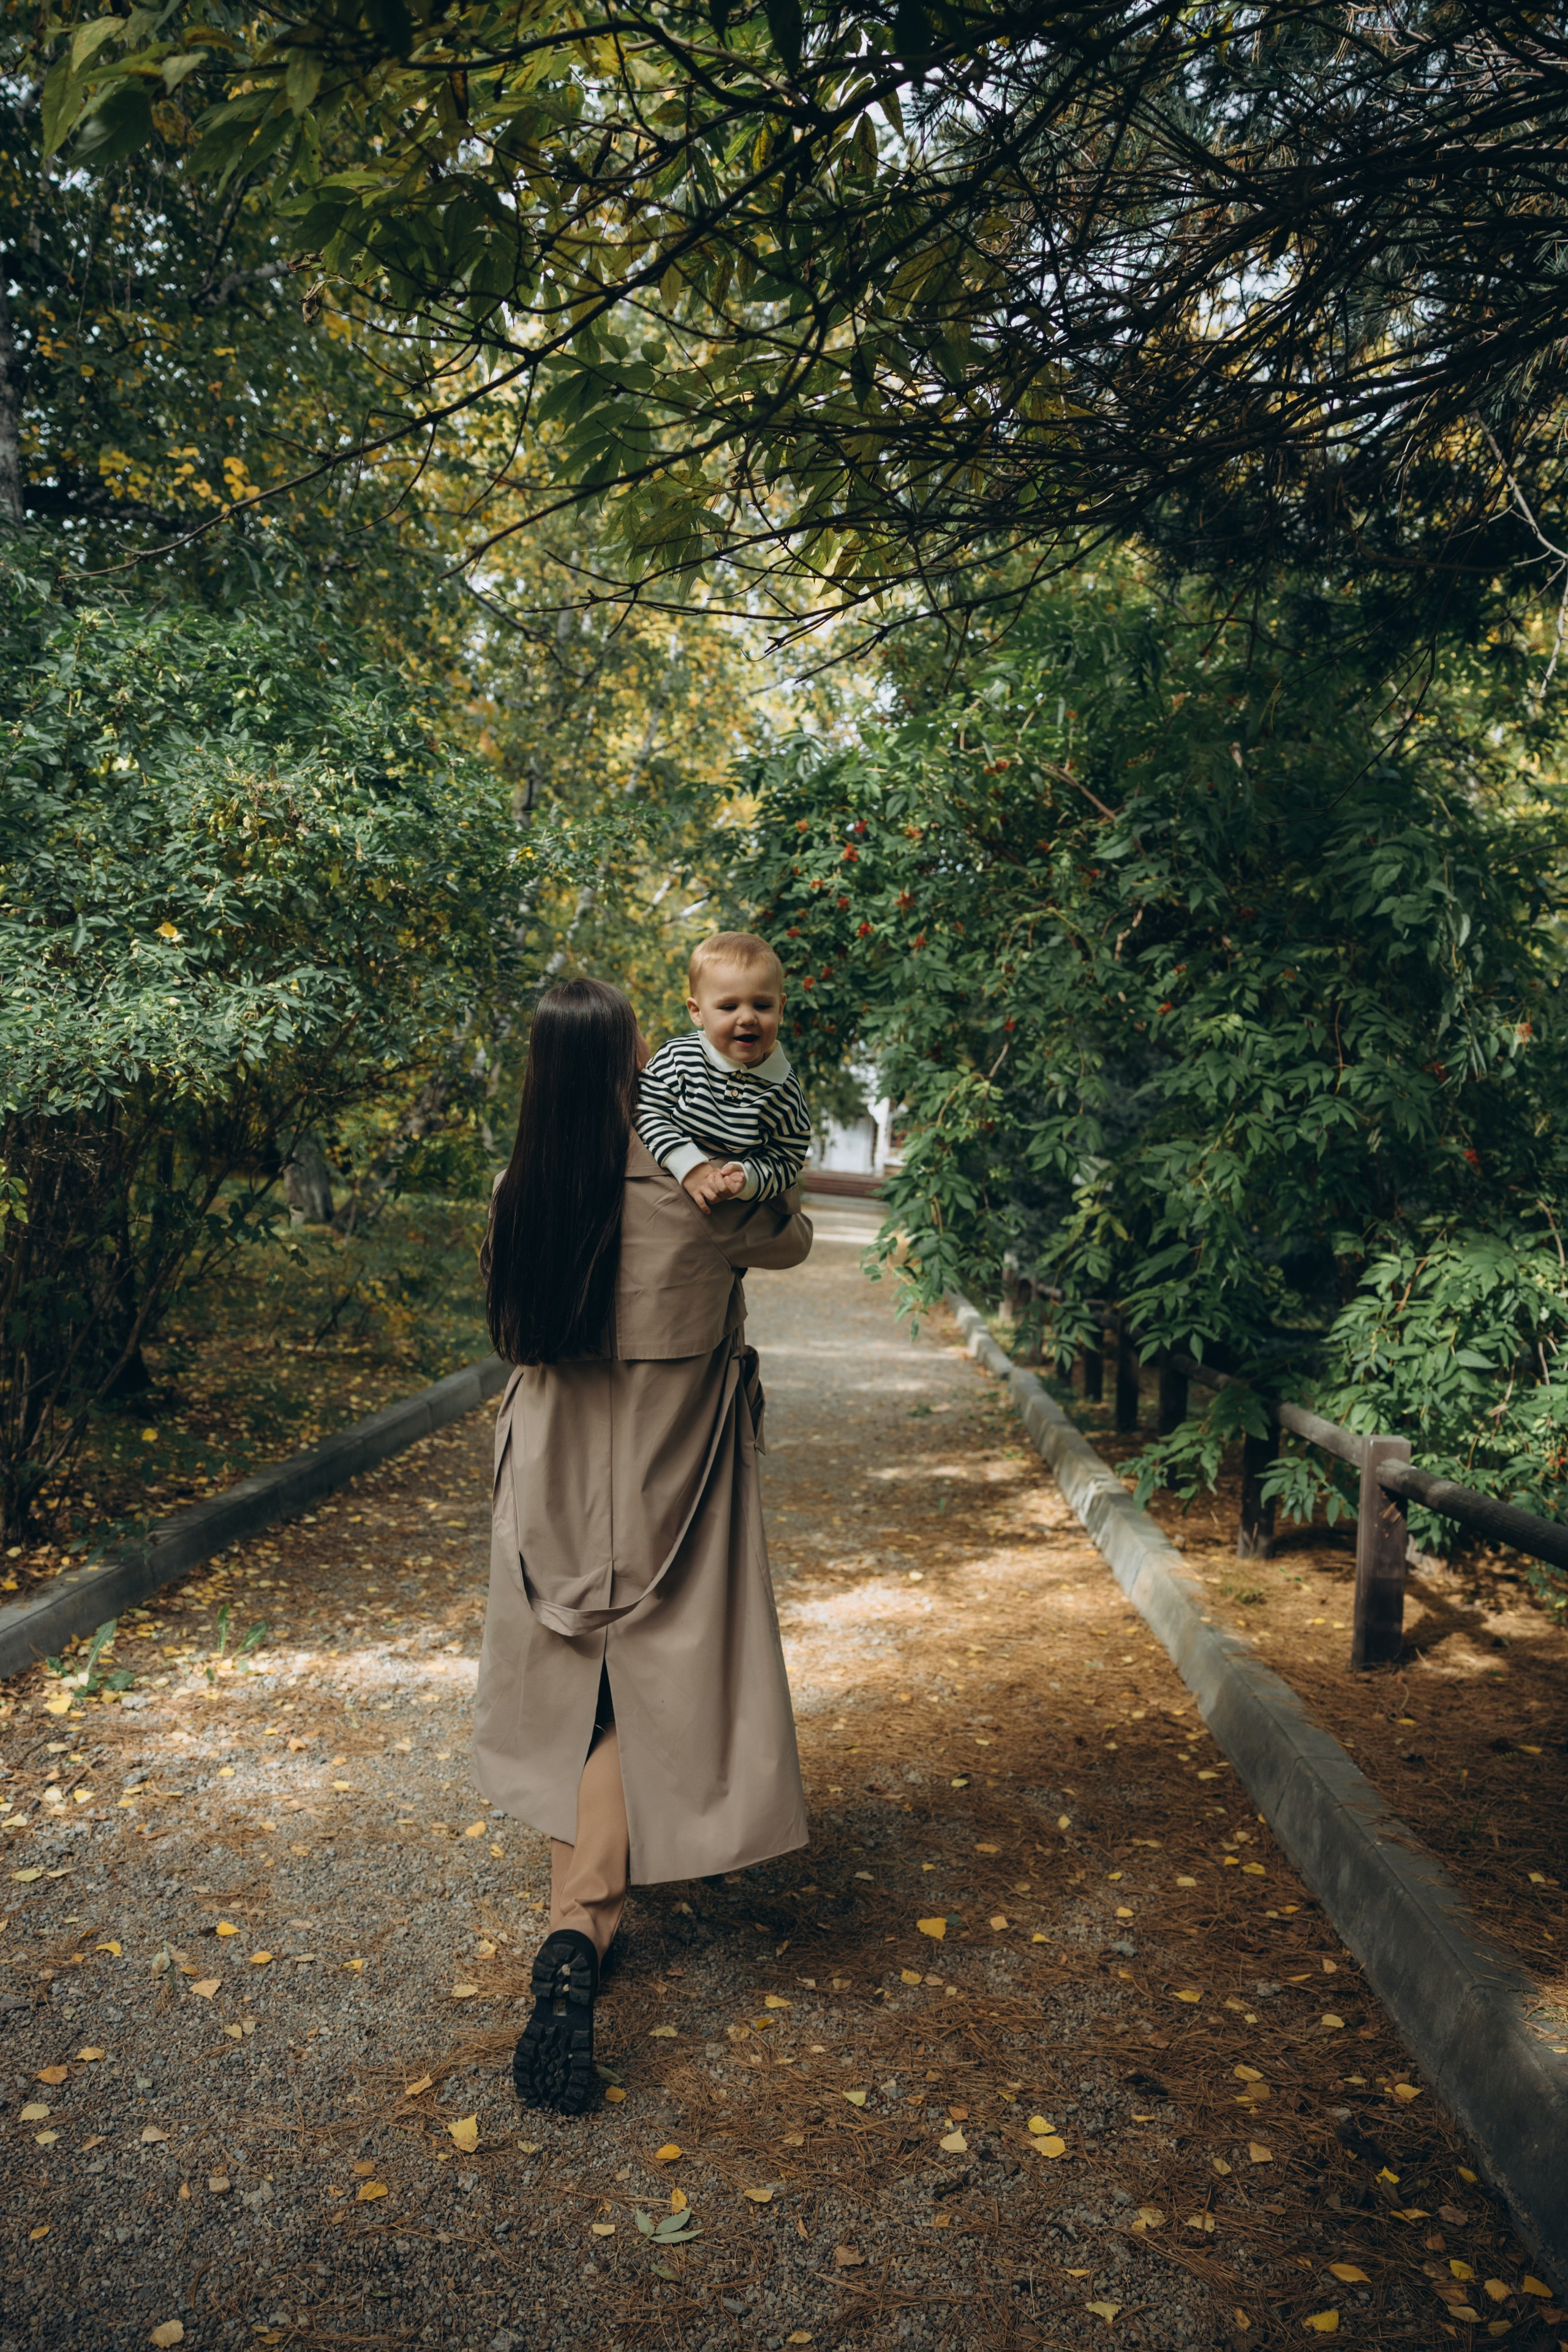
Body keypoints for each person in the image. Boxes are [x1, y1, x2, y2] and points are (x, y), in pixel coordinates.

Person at [475, 976, 813, 2115]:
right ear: (635, 1068)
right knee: (634, 1682)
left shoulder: (523, 1187)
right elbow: (798, 1236)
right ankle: (577, 1930)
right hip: (677, 1472)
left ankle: (579, 1917)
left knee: (583, 1682)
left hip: (555, 1467)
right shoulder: (703, 1201)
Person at [635, 931, 812, 1215]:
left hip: (731, 1212)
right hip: (664, 1199)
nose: (747, 1018)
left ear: (780, 1009)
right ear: (697, 1012)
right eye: (729, 1007)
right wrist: (690, 1167)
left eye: (763, 1006)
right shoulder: (679, 1058)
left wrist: (747, 1179)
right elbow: (644, 1111)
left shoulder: (784, 1090)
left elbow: (788, 1158)